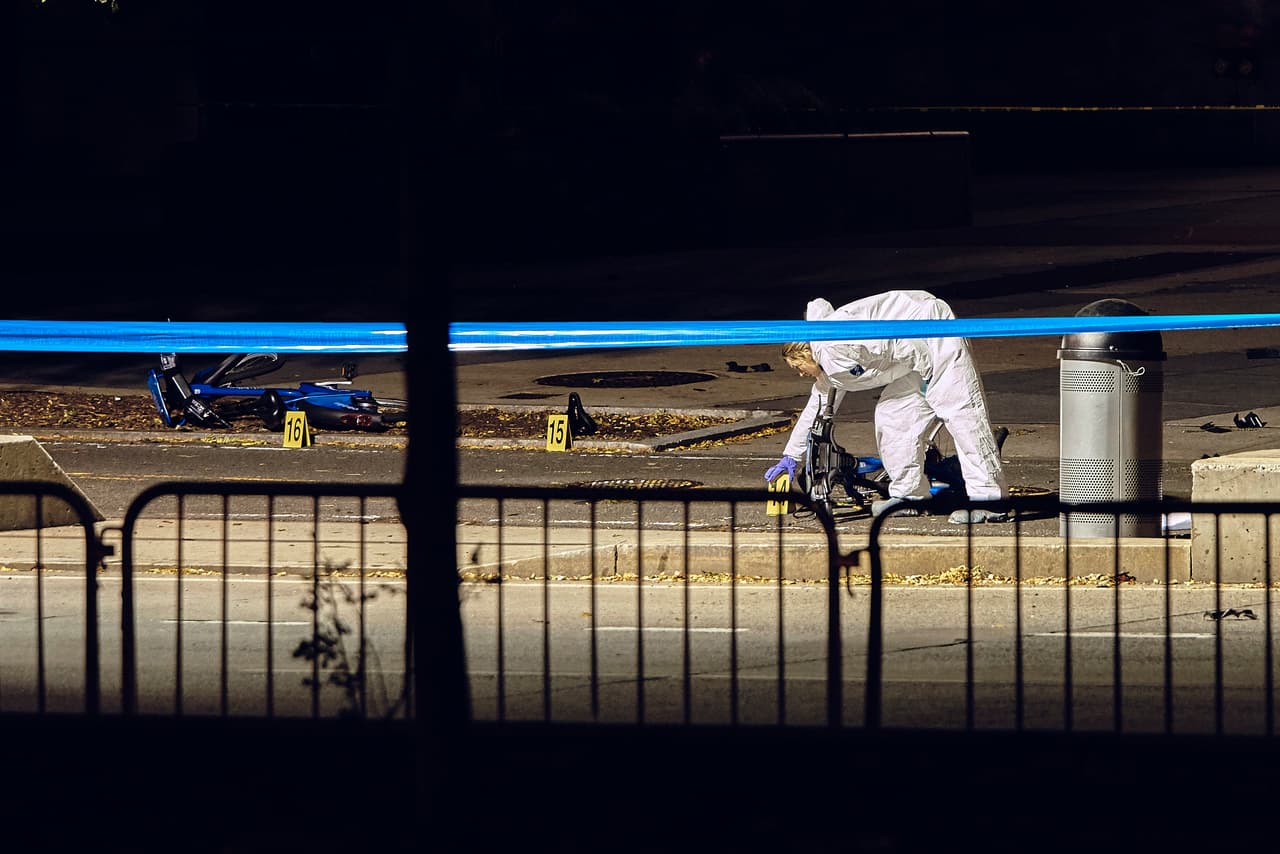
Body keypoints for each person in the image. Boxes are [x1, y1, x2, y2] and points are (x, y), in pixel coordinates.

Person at [764, 290, 1008, 523]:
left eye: (797, 367)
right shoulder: (829, 362)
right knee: (893, 416)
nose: (799, 374)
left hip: (932, 332)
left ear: (805, 354)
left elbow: (896, 344)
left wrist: (929, 376)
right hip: (915, 355)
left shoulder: (834, 344)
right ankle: (909, 495)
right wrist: (791, 457)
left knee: (962, 414)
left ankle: (990, 501)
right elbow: (816, 409)